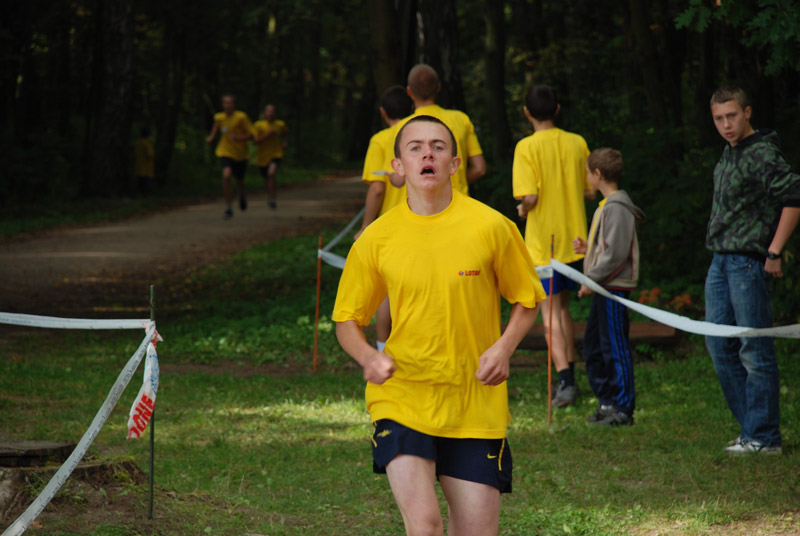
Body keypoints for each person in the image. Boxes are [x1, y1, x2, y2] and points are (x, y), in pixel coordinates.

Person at [333, 115, 544, 535]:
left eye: (438, 146)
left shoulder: (492, 227)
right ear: (398, 166)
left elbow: (527, 300)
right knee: (425, 526)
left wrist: (503, 348)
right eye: (415, 148)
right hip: (403, 396)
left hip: (475, 401)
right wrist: (368, 358)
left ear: (455, 164)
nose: (427, 153)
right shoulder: (377, 237)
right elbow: (346, 320)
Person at [704, 85, 800, 455]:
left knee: (754, 349)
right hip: (720, 259)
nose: (726, 124)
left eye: (731, 116)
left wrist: (774, 251)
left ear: (747, 112)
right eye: (718, 118)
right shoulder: (730, 151)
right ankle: (752, 430)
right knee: (718, 344)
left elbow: (793, 198)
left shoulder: (761, 151)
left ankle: (764, 436)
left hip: (748, 261)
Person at [512, 84, 595, 408]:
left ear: (527, 113)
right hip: (576, 240)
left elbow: (530, 197)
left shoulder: (526, 147)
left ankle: (565, 381)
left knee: (549, 314)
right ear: (557, 109)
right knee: (562, 310)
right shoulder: (577, 143)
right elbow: (590, 191)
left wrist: (523, 209)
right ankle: (569, 374)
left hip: (543, 244)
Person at [572, 148, 644, 426]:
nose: (587, 178)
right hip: (603, 287)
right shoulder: (607, 206)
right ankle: (607, 402)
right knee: (594, 346)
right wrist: (588, 248)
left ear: (598, 174)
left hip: (612, 288)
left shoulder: (616, 207)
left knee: (615, 347)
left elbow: (615, 254)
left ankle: (623, 408)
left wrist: (590, 280)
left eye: (588, 173)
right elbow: (607, 247)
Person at [353, 85, 414, 354]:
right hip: (426, 218)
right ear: (411, 108)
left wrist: (365, 226)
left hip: (392, 225)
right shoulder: (421, 133)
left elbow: (377, 189)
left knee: (387, 288)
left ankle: (382, 349)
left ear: (383, 112)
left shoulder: (381, 140)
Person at [389, 64, 486, 195]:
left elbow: (398, 180)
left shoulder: (402, 127)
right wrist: (457, 183)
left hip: (421, 205)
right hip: (457, 201)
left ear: (409, 91)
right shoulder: (461, 119)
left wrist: (391, 176)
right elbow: (479, 168)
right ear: (438, 88)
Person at [205, 94, 254, 219]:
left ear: (234, 104)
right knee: (226, 176)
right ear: (223, 105)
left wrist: (239, 138)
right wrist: (211, 138)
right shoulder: (219, 117)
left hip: (241, 154)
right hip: (225, 151)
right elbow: (216, 128)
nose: (228, 105)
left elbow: (251, 134)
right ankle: (229, 207)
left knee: (239, 180)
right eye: (226, 103)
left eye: (230, 103)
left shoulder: (241, 117)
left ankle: (242, 194)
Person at [252, 104, 288, 209]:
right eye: (269, 111)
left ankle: (273, 198)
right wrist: (267, 135)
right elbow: (255, 142)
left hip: (276, 153)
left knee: (271, 174)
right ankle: (269, 194)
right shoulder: (258, 125)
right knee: (266, 178)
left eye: (273, 111)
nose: (271, 113)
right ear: (265, 113)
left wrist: (285, 142)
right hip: (263, 156)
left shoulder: (280, 124)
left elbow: (285, 133)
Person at [133, 127, 155, 197]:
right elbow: (150, 155)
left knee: (139, 184)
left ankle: (138, 196)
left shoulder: (138, 143)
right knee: (146, 186)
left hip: (138, 167)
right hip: (146, 169)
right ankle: (146, 196)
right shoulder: (147, 144)